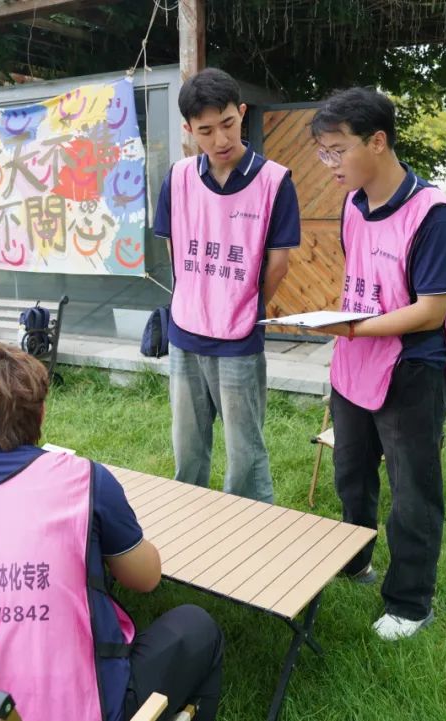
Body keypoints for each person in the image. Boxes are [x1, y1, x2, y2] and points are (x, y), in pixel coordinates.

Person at [0, 342, 224, 721]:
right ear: (40, 412)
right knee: (196, 625)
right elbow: (145, 579)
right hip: (83, 707)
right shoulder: (85, 479)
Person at [309, 88, 446, 640]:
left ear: (377, 142)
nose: (329, 163)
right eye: (323, 152)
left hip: (411, 369)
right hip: (354, 363)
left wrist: (351, 327)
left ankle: (409, 604)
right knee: (351, 474)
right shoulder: (353, 204)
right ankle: (354, 561)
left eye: (337, 150)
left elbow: (430, 311)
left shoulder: (435, 215)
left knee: (413, 491)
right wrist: (346, 330)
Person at [153, 68, 301, 503]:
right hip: (185, 332)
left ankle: (250, 528)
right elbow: (173, 248)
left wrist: (245, 304)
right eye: (205, 131)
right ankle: (191, 518)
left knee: (245, 453)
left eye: (228, 124)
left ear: (242, 112)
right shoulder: (178, 177)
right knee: (187, 447)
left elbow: (278, 264)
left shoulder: (274, 181)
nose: (220, 139)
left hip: (238, 338)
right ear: (188, 130)